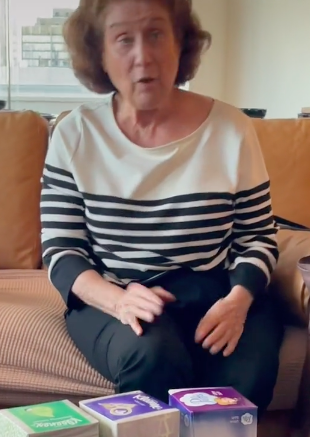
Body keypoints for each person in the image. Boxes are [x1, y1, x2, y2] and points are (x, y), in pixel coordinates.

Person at [40, 0, 283, 416]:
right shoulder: (75, 134)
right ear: (99, 53)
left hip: (214, 292)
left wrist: (238, 301)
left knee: (247, 374)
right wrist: (117, 300)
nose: (143, 56)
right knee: (152, 356)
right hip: (117, 294)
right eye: (123, 40)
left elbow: (258, 236)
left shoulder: (231, 129)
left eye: (156, 34)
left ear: (180, 44)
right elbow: (61, 251)